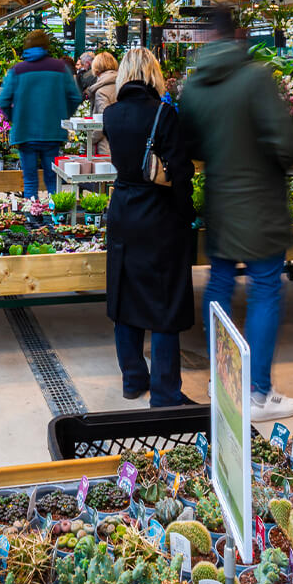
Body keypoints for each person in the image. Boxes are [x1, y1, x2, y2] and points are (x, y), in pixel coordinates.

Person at [180, 7, 293, 421]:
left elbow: (192, 145)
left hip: (220, 200)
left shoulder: (194, 85)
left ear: (205, 37)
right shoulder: (256, 77)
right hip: (261, 203)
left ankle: (222, 379)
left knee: (219, 285)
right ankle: (257, 392)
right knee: (266, 288)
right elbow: (285, 146)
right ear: (237, 33)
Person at [103, 48, 195, 406]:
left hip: (123, 211)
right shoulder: (165, 115)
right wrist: (187, 216)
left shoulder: (111, 114)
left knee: (124, 297)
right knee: (165, 304)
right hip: (159, 216)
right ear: (153, 74)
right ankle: (166, 392)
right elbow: (181, 173)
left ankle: (132, 379)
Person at [0, 30, 81, 198]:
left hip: (25, 134)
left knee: (29, 180)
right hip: (52, 132)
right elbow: (75, 97)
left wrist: (17, 118)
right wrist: (63, 117)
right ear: (46, 46)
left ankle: (31, 218)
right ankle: (57, 216)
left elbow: (3, 101)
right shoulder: (60, 68)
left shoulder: (17, 70)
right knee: (52, 179)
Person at [86, 51, 119, 155]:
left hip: (106, 146)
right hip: (122, 141)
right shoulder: (122, 84)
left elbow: (103, 122)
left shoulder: (101, 92)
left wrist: (90, 140)